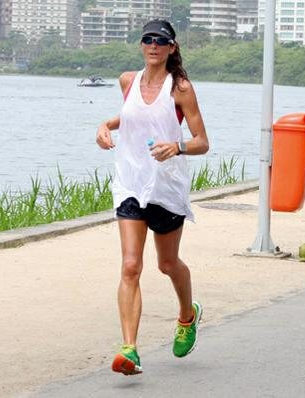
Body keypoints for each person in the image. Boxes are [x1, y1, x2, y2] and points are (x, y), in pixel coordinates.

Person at [95, 19, 209, 376]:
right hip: (130, 182)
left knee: (167, 264)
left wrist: (176, 147)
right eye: (148, 39)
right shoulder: (127, 81)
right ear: (141, 45)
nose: (153, 45)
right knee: (130, 265)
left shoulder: (181, 88)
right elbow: (132, 117)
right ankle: (129, 349)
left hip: (166, 186)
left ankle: (188, 315)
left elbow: (202, 141)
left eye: (161, 41)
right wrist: (105, 126)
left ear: (172, 48)